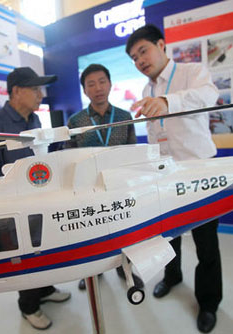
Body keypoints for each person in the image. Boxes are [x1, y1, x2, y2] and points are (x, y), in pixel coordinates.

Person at [126, 25, 222, 333]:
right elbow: (156, 134)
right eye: (133, 57)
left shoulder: (192, 72)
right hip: (165, 174)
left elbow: (208, 96)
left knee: (206, 242)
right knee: (168, 233)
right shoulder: (145, 91)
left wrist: (169, 102)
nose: (139, 60)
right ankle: (172, 276)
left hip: (199, 170)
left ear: (162, 45)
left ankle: (208, 302)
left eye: (143, 51)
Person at [0, 67, 71, 330]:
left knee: (45, 249)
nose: (40, 95)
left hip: (39, 199)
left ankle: (45, 289)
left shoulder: (34, 121)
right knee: (24, 255)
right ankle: (29, 306)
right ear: (17, 91)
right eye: (35, 89)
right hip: (14, 206)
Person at [65, 64, 143, 290]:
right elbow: (69, 158)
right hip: (87, 189)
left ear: (110, 84)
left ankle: (124, 267)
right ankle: (91, 271)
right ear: (85, 90)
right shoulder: (75, 121)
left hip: (119, 186)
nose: (98, 88)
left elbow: (132, 153)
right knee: (90, 231)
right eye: (91, 84)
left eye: (102, 81)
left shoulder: (123, 116)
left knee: (124, 232)